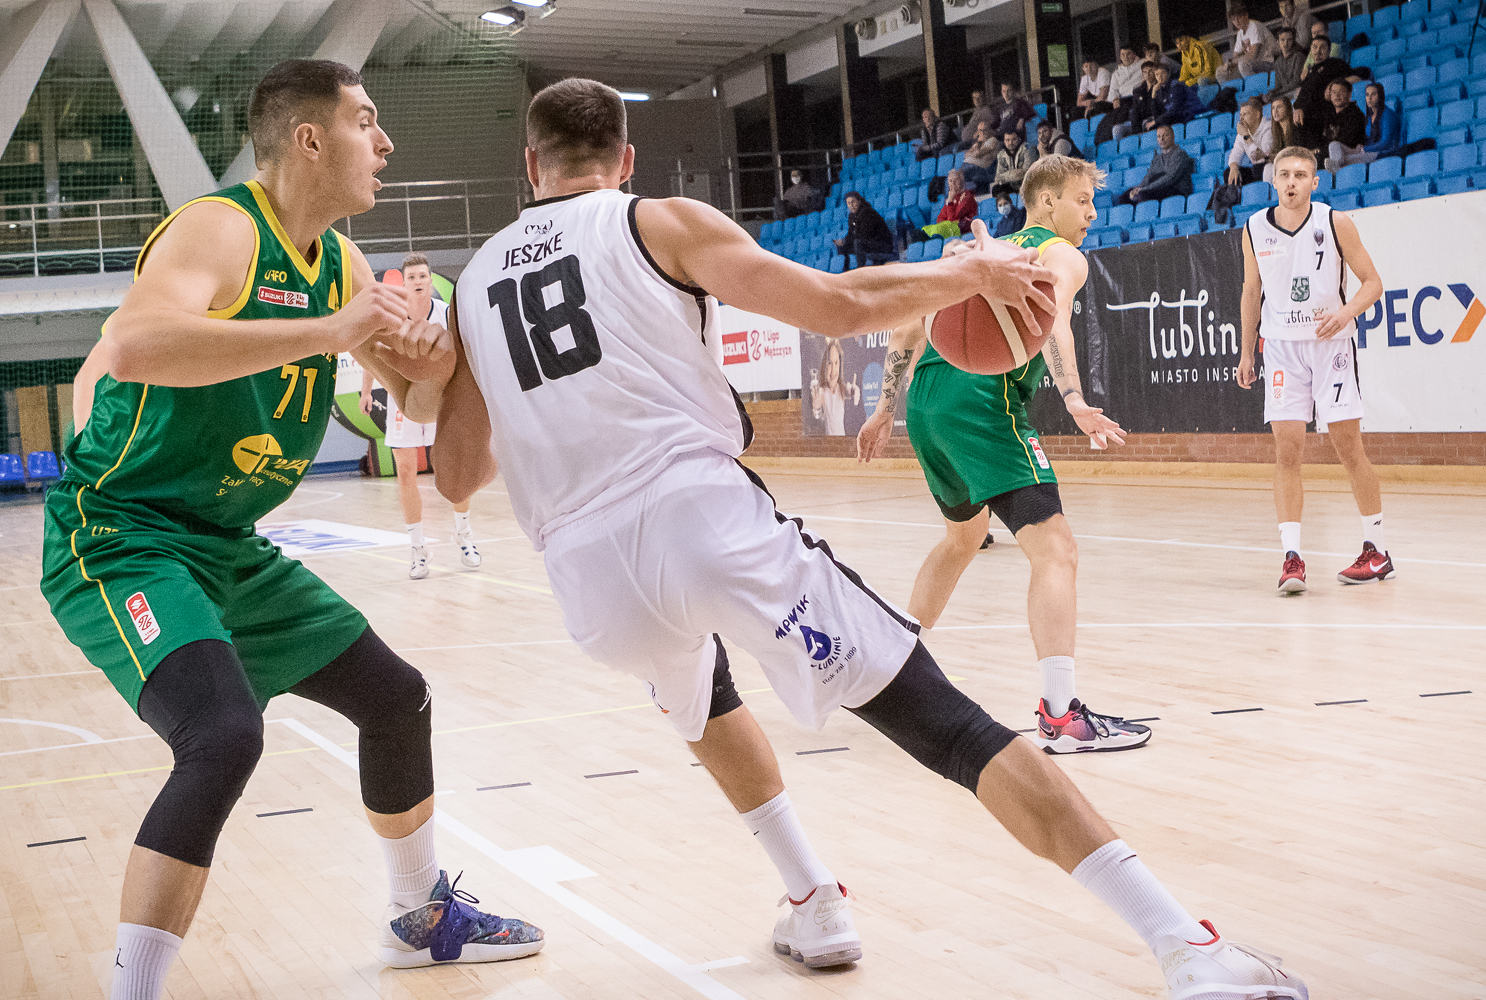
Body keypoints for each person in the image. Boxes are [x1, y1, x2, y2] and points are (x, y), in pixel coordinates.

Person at [435, 76, 1310, 997]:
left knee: (698, 697)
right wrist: (970, 274)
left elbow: (456, 478)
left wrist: (433, 372)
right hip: (700, 521)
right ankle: (1185, 946)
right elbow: (837, 304)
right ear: (626, 159)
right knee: (946, 724)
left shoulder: (477, 282)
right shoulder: (656, 221)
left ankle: (813, 900)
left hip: (585, 580)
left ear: (529, 165)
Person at [42, 59, 545, 1000]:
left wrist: (437, 361)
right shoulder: (221, 228)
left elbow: (413, 405)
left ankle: (419, 917)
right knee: (223, 735)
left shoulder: (342, 265)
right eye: (367, 121)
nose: (386, 142)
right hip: (122, 534)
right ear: (311, 139)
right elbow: (137, 345)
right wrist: (329, 333)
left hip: (229, 546)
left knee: (397, 698)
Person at [858, 153, 1148, 756]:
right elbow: (1055, 318)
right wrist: (1073, 397)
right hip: (982, 405)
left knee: (962, 540)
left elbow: (908, 327)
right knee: (1056, 549)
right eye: (1082, 200)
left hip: (928, 404)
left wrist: (886, 408)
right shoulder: (1060, 254)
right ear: (1047, 202)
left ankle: (887, 673)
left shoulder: (974, 253)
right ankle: (1061, 716)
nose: (1092, 214)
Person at [1238, 145, 1391, 592]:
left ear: (1314, 181)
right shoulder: (1254, 227)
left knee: (1349, 450)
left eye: (1300, 175)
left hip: (1331, 348)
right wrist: (1247, 352)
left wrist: (1345, 315)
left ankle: (1378, 550)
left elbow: (1373, 283)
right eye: (1284, 174)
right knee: (1287, 453)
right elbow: (1251, 291)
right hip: (1281, 350)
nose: (1291, 182)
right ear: (1273, 180)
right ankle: (1292, 558)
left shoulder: (1335, 222)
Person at [361, 251, 481, 579]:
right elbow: (375, 355)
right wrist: (367, 390)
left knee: (455, 466)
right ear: (403, 283)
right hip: (405, 399)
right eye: (411, 277)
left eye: (422, 276)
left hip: (442, 398)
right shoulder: (394, 317)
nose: (417, 281)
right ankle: (418, 548)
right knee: (404, 471)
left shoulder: (447, 314)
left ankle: (464, 534)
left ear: (430, 280)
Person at [1295, 40, 1356, 149]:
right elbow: (1302, 96)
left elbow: (1356, 77)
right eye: (1315, 47)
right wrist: (1298, 108)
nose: (1318, 51)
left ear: (1329, 50)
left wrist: (1333, 85)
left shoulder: (1336, 64)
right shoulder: (1311, 73)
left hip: (1328, 113)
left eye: (1322, 47)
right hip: (1310, 119)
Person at [1116, 124, 1194, 204]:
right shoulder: (1157, 157)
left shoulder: (1179, 154)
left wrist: (1144, 189)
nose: (1162, 139)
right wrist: (1137, 188)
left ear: (1172, 137)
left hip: (1176, 189)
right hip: (1160, 188)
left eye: (1165, 135)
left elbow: (1169, 178)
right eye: (1159, 136)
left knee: (1142, 194)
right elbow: (1149, 176)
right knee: (1126, 196)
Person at [811, 339, 861, 435]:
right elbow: (817, 416)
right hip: (829, 441)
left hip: (842, 439)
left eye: (836, 363)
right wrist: (816, 407)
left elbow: (852, 390)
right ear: (824, 366)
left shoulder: (842, 388)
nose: (833, 369)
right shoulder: (822, 392)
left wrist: (855, 390)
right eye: (829, 363)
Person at [1317, 79, 1368, 172]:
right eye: (1334, 92)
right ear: (1330, 95)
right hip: (1330, 155)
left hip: (1350, 154)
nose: (1337, 95)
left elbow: (1347, 141)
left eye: (1341, 92)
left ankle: (1337, 171)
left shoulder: (1355, 114)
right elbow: (1323, 139)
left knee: (1333, 147)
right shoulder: (1329, 115)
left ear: (1349, 94)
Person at [1217, 4, 1277, 83]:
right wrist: (1229, 63)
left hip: (1268, 61)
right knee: (1220, 72)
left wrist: (1236, 59)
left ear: (1246, 15)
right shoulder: (1240, 33)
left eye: (1239, 17)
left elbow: (1253, 54)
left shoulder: (1254, 26)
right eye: (1234, 19)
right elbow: (1235, 56)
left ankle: (1255, 87)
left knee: (1243, 63)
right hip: (1253, 64)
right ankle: (1232, 89)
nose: (1236, 22)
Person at [835, 190, 895, 269]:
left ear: (859, 202)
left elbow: (865, 234)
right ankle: (845, 271)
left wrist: (848, 240)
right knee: (842, 246)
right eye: (849, 203)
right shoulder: (851, 216)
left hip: (882, 245)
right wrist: (843, 241)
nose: (851, 205)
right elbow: (851, 234)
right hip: (867, 244)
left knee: (858, 242)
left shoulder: (868, 212)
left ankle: (860, 269)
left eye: (853, 202)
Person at [1228, 97, 1275, 186]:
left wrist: (1247, 137)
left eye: (1245, 114)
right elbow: (1235, 153)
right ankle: (1237, 194)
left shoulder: (1268, 127)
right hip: (1256, 169)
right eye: (1241, 115)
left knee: (1258, 168)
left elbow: (1261, 156)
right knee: (1229, 172)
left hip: (1270, 167)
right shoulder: (1243, 132)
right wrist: (1234, 167)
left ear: (1257, 114)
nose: (1241, 118)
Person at [1111, 60, 1161, 141]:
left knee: (1146, 124)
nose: (1147, 74)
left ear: (1155, 72)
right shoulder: (1138, 90)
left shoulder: (1159, 87)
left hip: (1153, 119)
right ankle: (1121, 148)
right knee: (1117, 129)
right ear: (1142, 74)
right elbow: (1135, 110)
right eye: (1145, 72)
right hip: (1139, 122)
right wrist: (1136, 130)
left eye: (1150, 71)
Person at [1357, 81, 1401, 163]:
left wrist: (1365, 149)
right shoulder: (1369, 117)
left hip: (1385, 153)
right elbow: (1368, 139)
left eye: (1373, 94)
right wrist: (1361, 147)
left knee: (1348, 160)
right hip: (1371, 152)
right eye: (1367, 95)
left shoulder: (1388, 115)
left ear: (1380, 96)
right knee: (1337, 148)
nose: (1369, 98)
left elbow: (1384, 143)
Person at [1265, 27, 1306, 102]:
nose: (1285, 43)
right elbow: (1277, 85)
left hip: (1297, 92)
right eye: (1282, 40)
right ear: (1278, 42)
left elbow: (1297, 81)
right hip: (1284, 94)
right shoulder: (1277, 62)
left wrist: (1278, 92)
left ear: (1293, 41)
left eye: (1289, 40)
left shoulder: (1299, 57)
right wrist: (1271, 92)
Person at [992, 126, 1035, 197]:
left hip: (1027, 185)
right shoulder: (1001, 154)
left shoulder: (1028, 149)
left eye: (1014, 139)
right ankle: (1003, 203)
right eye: (1007, 140)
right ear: (1004, 141)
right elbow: (998, 178)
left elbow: (1027, 173)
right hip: (1013, 186)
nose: (1010, 143)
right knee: (996, 189)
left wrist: (1005, 176)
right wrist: (1015, 174)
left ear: (1019, 139)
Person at [1266, 97, 1301, 181]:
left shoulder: (1296, 127)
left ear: (1287, 109)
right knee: (1268, 168)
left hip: (1298, 162)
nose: (1275, 111)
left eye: (1279, 107)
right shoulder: (1276, 133)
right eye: (1273, 108)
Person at [960, 120, 1000, 191]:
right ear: (978, 132)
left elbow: (978, 154)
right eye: (980, 130)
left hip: (982, 169)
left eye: (985, 130)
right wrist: (976, 148)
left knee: (959, 176)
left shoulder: (993, 140)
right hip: (970, 166)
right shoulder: (978, 143)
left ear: (989, 130)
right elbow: (966, 155)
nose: (983, 132)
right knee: (954, 175)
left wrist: (977, 145)